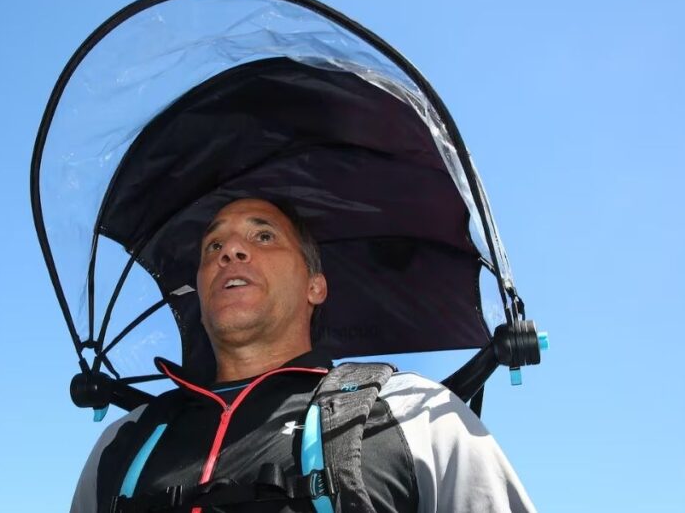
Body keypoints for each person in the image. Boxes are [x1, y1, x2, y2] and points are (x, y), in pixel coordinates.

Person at [71, 198, 536, 512]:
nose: (230, 251)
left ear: (316, 286)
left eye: (263, 237)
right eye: (213, 245)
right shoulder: (124, 442)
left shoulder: (416, 415)